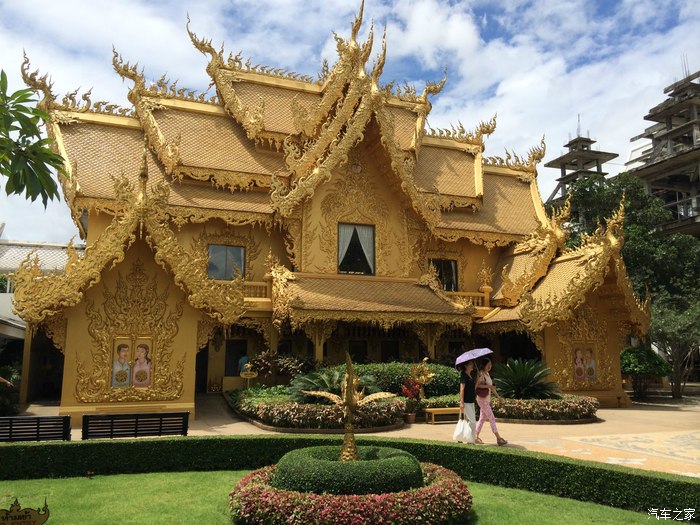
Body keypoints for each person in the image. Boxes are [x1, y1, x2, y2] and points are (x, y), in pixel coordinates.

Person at [474, 358, 507, 446]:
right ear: (484, 365)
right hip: (481, 400)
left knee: (482, 419)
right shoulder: (481, 373)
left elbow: (491, 388)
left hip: (486, 400)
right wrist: (487, 385)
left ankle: (476, 436)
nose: (489, 366)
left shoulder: (487, 374)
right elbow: (476, 386)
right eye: (488, 365)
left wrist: (498, 397)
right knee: (491, 417)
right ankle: (498, 438)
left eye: (490, 365)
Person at [458, 360, 477, 444]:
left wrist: (479, 380)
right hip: (466, 402)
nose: (472, 365)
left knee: (468, 421)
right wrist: (462, 402)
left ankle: (461, 437)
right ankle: (470, 440)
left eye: (472, 364)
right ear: (466, 366)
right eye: (470, 364)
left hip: (471, 402)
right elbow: (462, 389)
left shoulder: (470, 376)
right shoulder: (464, 376)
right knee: (472, 422)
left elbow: (473, 388)